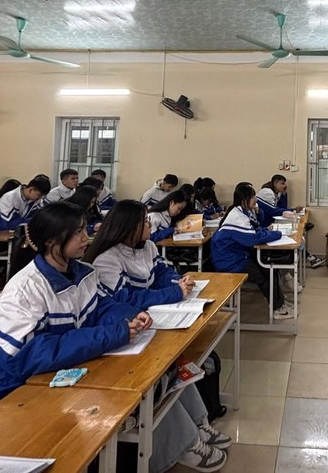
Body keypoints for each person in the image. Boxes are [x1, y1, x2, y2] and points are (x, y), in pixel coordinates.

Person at [82, 200, 230, 471]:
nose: (150, 225)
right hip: (126, 331)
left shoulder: (147, 246)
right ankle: (186, 444)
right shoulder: (106, 259)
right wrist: (173, 293)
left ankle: (199, 423)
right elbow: (127, 297)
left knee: (179, 367)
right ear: (128, 227)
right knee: (159, 376)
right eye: (145, 222)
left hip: (148, 322)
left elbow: (161, 271)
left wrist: (178, 281)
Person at [0, 202, 146, 411]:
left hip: (62, 374)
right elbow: (27, 356)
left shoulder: (84, 273)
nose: (86, 237)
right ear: (50, 241)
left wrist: (131, 316)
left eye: (85, 229)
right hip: (12, 393)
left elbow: (100, 308)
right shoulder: (23, 290)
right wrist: (112, 334)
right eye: (77, 232)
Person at [211, 184, 292, 320]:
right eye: (253, 197)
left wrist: (266, 230)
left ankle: (279, 303)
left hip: (237, 255)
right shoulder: (237, 216)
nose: (256, 199)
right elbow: (252, 239)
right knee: (263, 275)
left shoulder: (243, 212)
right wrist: (277, 234)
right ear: (244, 199)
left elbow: (254, 229)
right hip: (229, 261)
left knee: (269, 269)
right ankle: (277, 309)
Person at [0, 176, 51, 255]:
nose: (40, 198)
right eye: (39, 195)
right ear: (31, 190)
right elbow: (9, 224)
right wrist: (36, 220)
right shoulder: (9, 198)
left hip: (15, 238)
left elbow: (40, 215)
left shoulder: (34, 200)